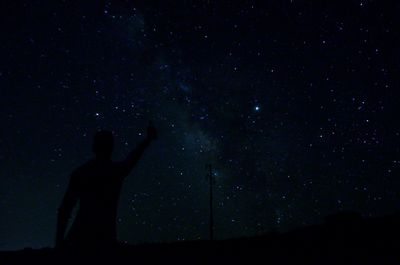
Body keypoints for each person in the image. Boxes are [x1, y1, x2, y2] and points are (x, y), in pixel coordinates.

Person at [55, 122, 157, 249]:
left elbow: (65, 209)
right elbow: (133, 157)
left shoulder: (81, 173)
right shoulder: (115, 172)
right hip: (105, 240)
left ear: (93, 147)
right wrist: (147, 140)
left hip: (78, 238)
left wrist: (58, 243)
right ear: (111, 148)